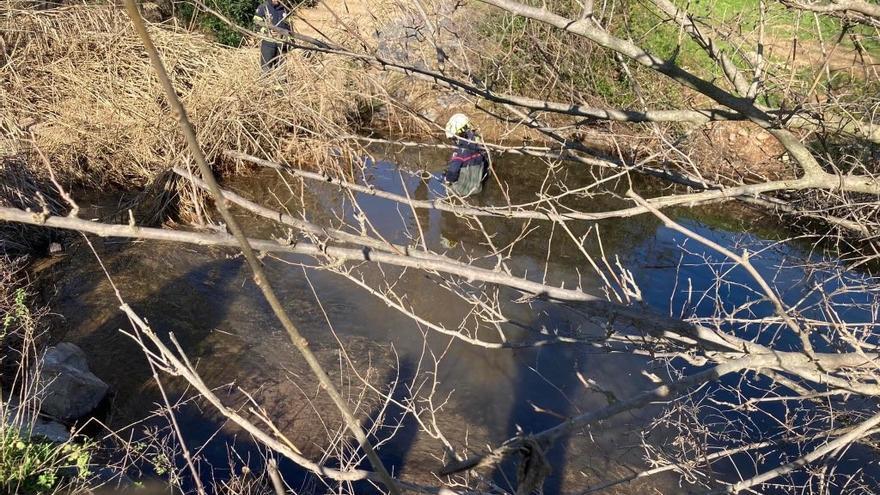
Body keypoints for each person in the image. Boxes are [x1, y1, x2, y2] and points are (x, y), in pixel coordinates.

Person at [443, 114, 489, 198]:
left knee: (445, 177)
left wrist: (446, 178)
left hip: (459, 191)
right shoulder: (479, 146)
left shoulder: (459, 153)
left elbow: (452, 173)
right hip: (477, 189)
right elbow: (486, 165)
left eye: (453, 139)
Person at [253, 0, 292, 71]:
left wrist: (290, 41)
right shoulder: (263, 8)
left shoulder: (285, 9)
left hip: (282, 45)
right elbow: (256, 24)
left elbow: (290, 27)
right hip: (268, 45)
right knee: (265, 70)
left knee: (282, 72)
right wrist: (268, 31)